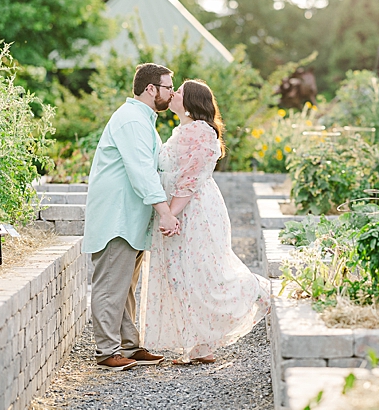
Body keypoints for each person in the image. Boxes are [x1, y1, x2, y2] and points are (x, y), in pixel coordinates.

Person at [144, 79, 271, 363]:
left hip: (195, 212)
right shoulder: (184, 129)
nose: (173, 94)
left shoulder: (201, 132)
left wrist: (170, 214)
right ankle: (200, 345)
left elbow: (191, 177)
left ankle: (258, 291)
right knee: (183, 276)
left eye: (179, 92)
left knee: (204, 273)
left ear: (190, 104)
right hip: (181, 209)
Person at [82, 63, 181, 371]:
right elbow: (141, 172)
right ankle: (106, 351)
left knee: (125, 286)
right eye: (168, 87)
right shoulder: (131, 121)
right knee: (111, 284)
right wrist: (164, 212)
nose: (172, 93)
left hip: (130, 218)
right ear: (151, 89)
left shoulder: (142, 120)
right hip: (117, 216)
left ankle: (129, 345)